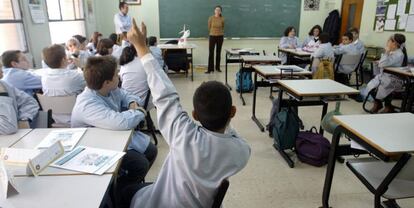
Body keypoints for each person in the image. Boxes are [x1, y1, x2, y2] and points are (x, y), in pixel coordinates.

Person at [123, 19, 251, 207]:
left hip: (161, 202)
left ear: (195, 115)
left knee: (122, 191)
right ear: (232, 112)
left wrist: (141, 48)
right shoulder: (241, 151)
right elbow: (233, 136)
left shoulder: (184, 136)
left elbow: (165, 95)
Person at [70, 56, 157, 185]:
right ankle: (121, 192)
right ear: (107, 82)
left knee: (151, 150)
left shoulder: (109, 89)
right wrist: (139, 111)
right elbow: (122, 122)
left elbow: (126, 95)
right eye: (116, 75)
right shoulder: (87, 104)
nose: (120, 76)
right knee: (140, 164)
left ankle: (129, 185)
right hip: (93, 147)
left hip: (111, 137)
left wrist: (132, 102)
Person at [42, 44, 86, 125]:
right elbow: (92, 82)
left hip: (55, 119)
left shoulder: (44, 78)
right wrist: (81, 66)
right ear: (63, 59)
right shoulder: (75, 76)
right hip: (77, 118)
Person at [366, 34, 407, 113]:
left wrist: (386, 52)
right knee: (370, 86)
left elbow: (383, 64)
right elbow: (386, 62)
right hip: (386, 76)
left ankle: (388, 106)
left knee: (380, 87)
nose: (387, 42)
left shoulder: (399, 54)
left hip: (393, 78)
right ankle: (378, 103)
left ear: (394, 43)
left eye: (389, 40)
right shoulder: (394, 52)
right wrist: (381, 60)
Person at [0, 67, 39, 135]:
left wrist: (23, 118)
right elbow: (8, 128)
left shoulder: (3, 84)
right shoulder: (1, 88)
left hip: (13, 139)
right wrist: (2, 94)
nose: (2, 73)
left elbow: (29, 101)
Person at [207, 5, 225, 74]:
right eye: (216, 10)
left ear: (221, 12)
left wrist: (218, 33)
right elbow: (209, 27)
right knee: (211, 53)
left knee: (218, 52)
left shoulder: (222, 19)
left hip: (220, 37)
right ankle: (210, 69)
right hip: (212, 36)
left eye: (219, 10)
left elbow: (223, 27)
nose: (218, 11)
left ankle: (217, 68)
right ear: (214, 11)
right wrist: (213, 32)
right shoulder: (211, 18)